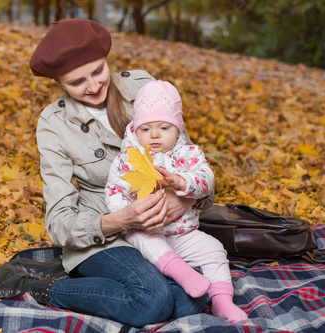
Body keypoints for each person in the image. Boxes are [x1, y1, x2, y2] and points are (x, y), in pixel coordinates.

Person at [0, 18, 214, 327]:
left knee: (193, 301)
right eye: (77, 82)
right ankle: (43, 288)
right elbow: (58, 222)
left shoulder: (145, 89)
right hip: (103, 233)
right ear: (59, 83)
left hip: (162, 229)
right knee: (153, 301)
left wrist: (183, 201)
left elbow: (191, 163)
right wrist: (120, 220)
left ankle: (133, 289)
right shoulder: (54, 124)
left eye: (98, 71)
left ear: (107, 60)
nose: (93, 86)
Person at [105, 80, 248, 323]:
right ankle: (182, 273)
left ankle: (223, 301)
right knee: (143, 237)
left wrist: (183, 183)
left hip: (183, 232)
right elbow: (113, 191)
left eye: (164, 127)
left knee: (214, 250)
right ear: (135, 130)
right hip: (147, 230)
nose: (155, 135)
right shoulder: (126, 160)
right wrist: (130, 212)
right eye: (146, 129)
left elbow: (206, 180)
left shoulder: (190, 155)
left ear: (178, 129)